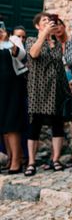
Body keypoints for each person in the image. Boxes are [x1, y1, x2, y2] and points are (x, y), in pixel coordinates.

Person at [24, 13, 72, 176]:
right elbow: (34, 54)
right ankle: (31, 162)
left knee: (57, 125)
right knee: (34, 126)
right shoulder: (31, 40)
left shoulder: (57, 44)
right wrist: (44, 35)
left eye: (49, 21)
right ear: (38, 26)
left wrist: (67, 87)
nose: (48, 23)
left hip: (56, 90)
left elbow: (60, 68)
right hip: (37, 89)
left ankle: (56, 159)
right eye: (44, 21)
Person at [54, 20, 72, 166]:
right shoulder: (54, 47)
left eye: (59, 24)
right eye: (54, 26)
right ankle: (56, 157)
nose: (57, 28)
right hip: (59, 89)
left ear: (64, 27)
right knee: (57, 119)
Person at [0, 28, 27, 174]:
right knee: (2, 123)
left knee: (12, 123)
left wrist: (6, 42)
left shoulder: (13, 40)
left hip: (13, 86)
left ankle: (17, 160)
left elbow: (22, 56)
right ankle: (10, 158)